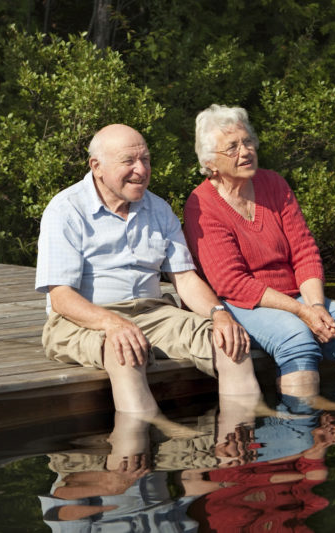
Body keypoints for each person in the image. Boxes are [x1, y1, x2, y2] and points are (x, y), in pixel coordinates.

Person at [183, 105, 335, 406]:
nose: (245, 151)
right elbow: (231, 283)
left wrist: (316, 305)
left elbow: (304, 251)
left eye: (248, 142)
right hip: (242, 303)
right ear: (210, 162)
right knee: (297, 338)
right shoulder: (201, 204)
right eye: (232, 147)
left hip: (295, 295)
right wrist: (301, 312)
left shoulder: (274, 184)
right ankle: (302, 426)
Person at [35, 124, 264, 430]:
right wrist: (112, 324)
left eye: (145, 160)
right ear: (97, 166)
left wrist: (219, 313)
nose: (141, 170)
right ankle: (142, 441)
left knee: (229, 342)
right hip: (82, 319)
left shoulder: (158, 209)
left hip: (152, 312)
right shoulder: (65, 210)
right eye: (129, 162)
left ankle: (240, 440)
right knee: (123, 350)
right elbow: (62, 298)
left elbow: (184, 279)